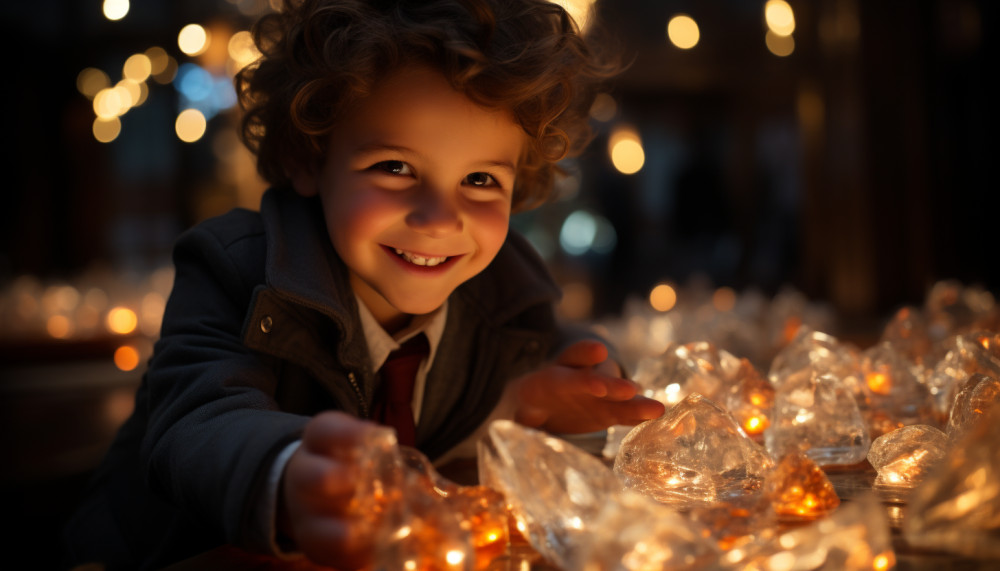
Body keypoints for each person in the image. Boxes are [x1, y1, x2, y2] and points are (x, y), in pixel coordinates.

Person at [62, 0, 664, 569]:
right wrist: (288, 475)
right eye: (395, 168)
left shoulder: (505, 288)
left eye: (480, 179)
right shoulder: (236, 269)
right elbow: (197, 421)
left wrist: (544, 389)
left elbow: (550, 339)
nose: (439, 218)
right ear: (307, 158)